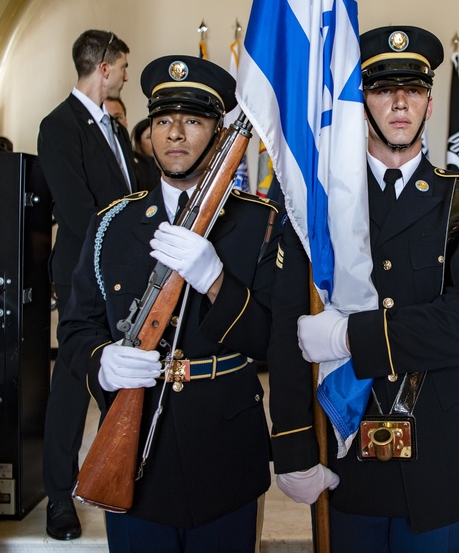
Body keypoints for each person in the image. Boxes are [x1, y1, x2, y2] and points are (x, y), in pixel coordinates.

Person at [279, 26, 459, 551]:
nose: (399, 102)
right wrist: (293, 445)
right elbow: (287, 327)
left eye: (413, 90)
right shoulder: (322, 207)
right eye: (383, 89)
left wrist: (349, 337)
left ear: (429, 103)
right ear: (363, 103)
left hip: (436, 454)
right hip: (343, 444)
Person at [58, 54, 294, 551]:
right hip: (137, 452)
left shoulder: (262, 223)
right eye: (164, 120)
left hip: (225, 453)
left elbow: (276, 342)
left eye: (194, 120)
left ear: (216, 131)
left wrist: (215, 280)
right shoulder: (112, 225)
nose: (176, 134)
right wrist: (103, 363)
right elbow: (78, 329)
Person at [36, 29, 137, 540]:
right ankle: (59, 496)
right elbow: (77, 211)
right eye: (121, 66)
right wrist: (126, 241)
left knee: (121, 385)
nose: (124, 74)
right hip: (83, 274)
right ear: (103, 67)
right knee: (73, 387)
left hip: (123, 274)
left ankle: (119, 478)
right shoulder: (58, 126)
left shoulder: (115, 129)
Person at [131, 117, 160, 190]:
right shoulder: (135, 172)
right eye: (149, 137)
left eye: (158, 136)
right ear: (139, 143)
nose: (156, 141)